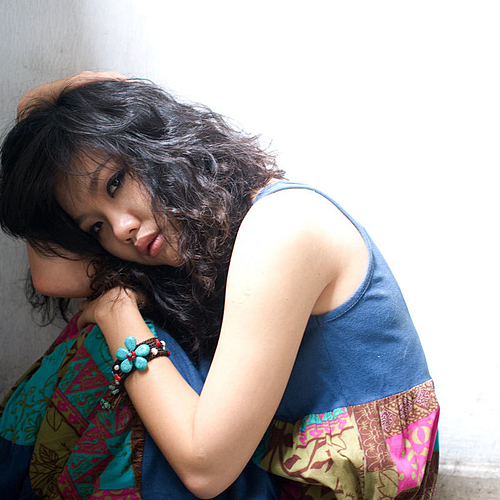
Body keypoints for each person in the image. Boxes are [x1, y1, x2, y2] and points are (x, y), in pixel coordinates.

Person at [0, 72, 439, 500]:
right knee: (104, 349)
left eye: (116, 183)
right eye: (96, 226)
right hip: (273, 466)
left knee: (116, 346)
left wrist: (118, 314)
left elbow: (204, 471)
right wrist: (36, 117)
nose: (121, 228)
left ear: (156, 143)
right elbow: (50, 275)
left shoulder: (282, 225)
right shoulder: (191, 243)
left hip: (344, 486)